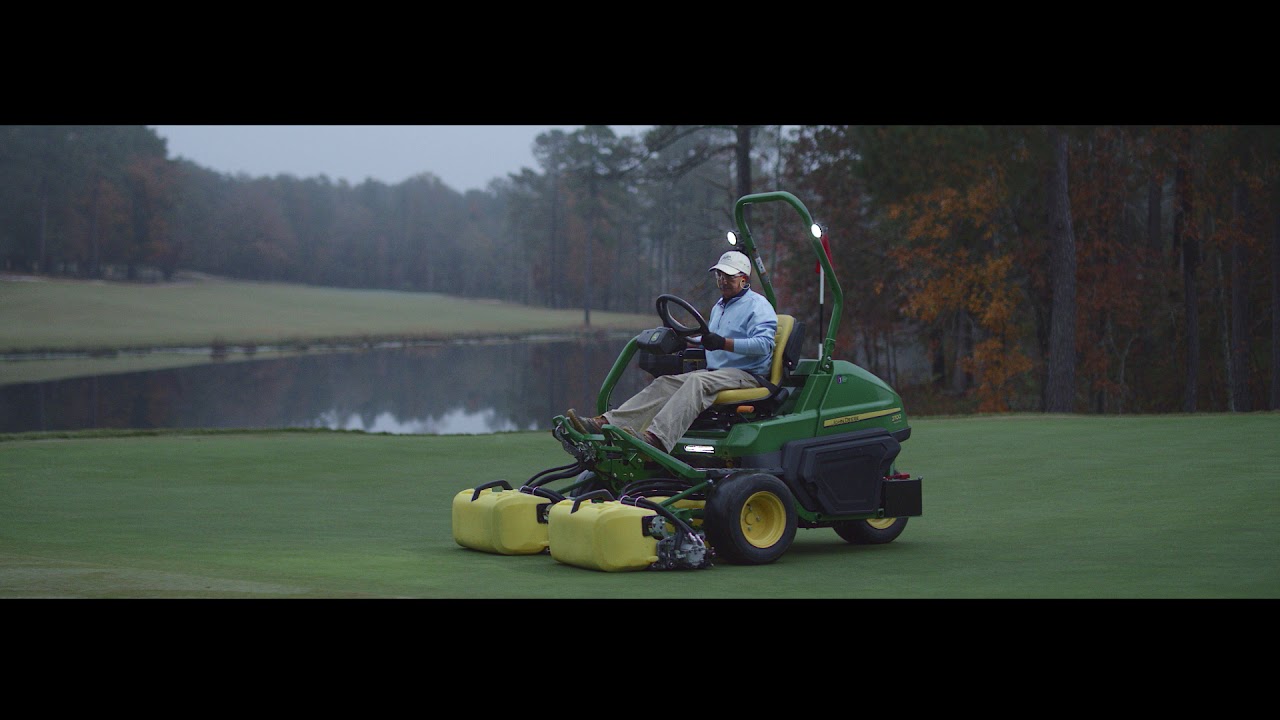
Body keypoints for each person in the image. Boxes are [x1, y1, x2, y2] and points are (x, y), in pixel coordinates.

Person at [567, 250, 777, 452]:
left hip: (748, 375)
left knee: (697, 382)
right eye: (720, 275)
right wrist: (687, 340)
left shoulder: (758, 306)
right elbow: (710, 341)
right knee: (664, 383)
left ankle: (657, 438)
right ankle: (605, 423)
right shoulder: (719, 307)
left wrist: (723, 343)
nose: (722, 280)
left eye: (728, 276)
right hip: (717, 373)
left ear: (743, 279)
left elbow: (764, 345)